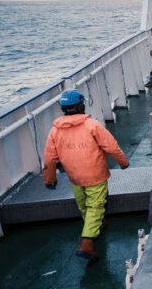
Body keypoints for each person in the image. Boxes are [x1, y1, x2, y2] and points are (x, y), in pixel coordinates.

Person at [42, 90, 129, 262]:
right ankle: (87, 243)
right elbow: (111, 147)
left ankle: (97, 224)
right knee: (95, 206)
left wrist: (49, 179)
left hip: (74, 176)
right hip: (95, 175)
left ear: (63, 108)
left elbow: (49, 158)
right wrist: (123, 162)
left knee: (83, 204)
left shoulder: (55, 130)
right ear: (81, 105)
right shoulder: (92, 125)